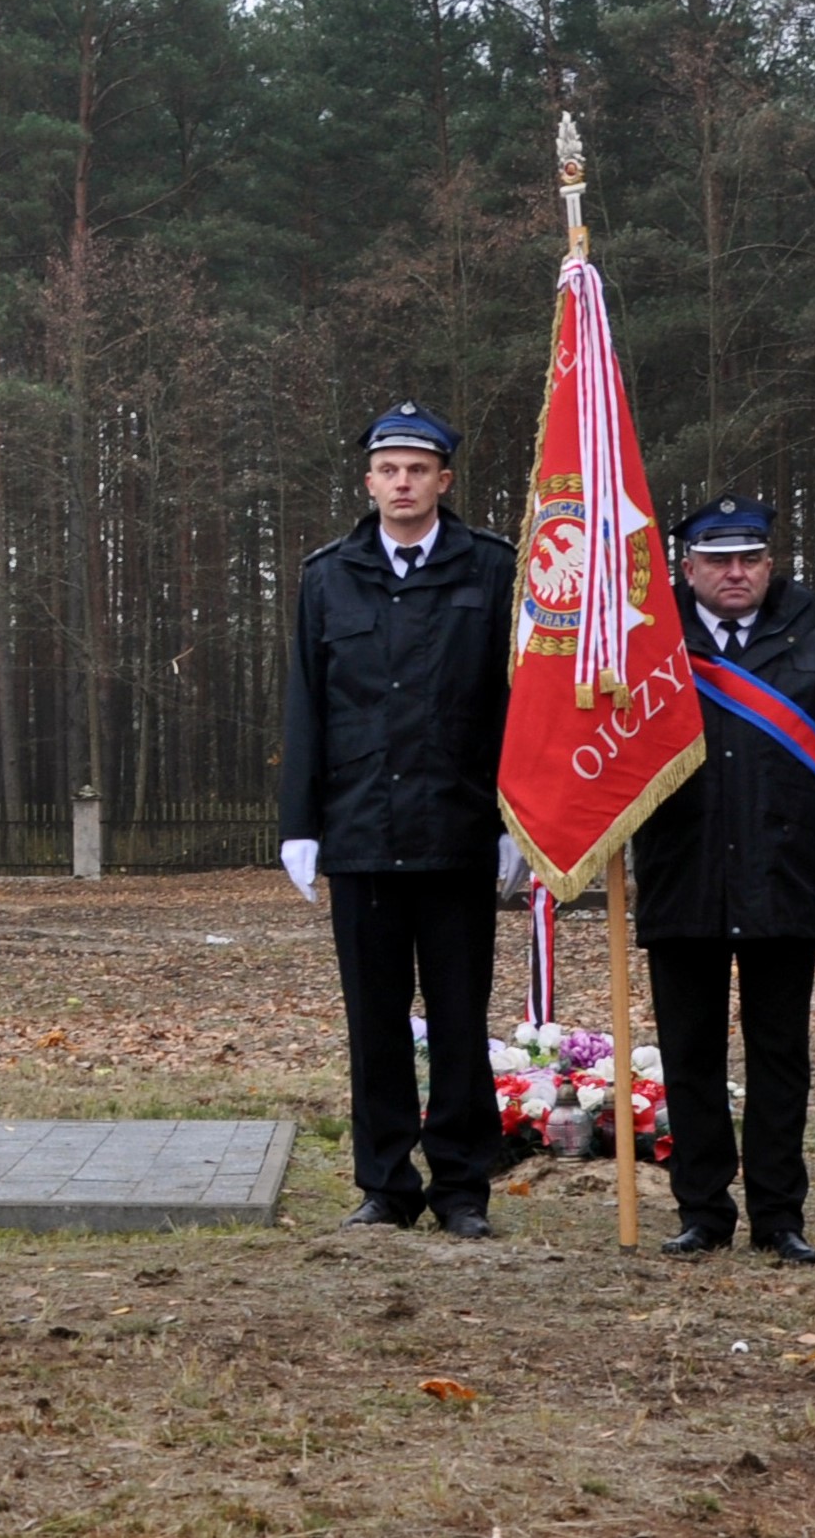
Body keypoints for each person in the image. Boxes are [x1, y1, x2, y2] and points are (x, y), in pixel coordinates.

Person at [279, 402, 526, 1237]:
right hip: (359, 830)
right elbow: (307, 706)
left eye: (417, 469)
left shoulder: (492, 568)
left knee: (459, 1020)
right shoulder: (328, 574)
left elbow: (512, 704)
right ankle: (385, 1184)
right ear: (368, 481)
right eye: (388, 469)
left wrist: (512, 819)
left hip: (458, 831)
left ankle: (460, 1187)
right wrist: (298, 822)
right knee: (373, 1022)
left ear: (443, 480)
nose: (402, 482)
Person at [630, 495, 815, 1266]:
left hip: (784, 880)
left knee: (780, 1058)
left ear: (769, 566)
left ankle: (779, 1213)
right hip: (683, 881)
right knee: (689, 1054)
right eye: (716, 560)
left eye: (747, 559)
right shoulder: (646, 648)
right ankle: (702, 1210)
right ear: (686, 567)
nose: (732, 573)